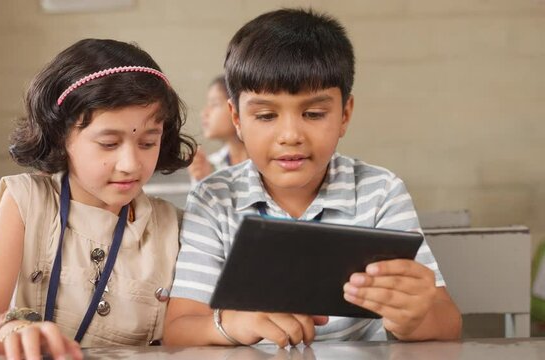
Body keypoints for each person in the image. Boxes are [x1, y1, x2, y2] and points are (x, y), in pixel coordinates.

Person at [163, 9, 462, 347]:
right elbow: (178, 330)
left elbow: (447, 323)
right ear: (237, 118)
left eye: (314, 113)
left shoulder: (380, 191)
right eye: (265, 115)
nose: (290, 135)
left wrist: (415, 317)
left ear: (345, 114)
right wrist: (231, 325)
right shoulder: (214, 197)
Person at [0, 38, 196, 359]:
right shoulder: (26, 201)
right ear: (61, 136)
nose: (130, 164)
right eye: (109, 143)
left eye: (147, 143)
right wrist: (13, 330)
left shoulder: (175, 225)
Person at [188, 76, 247, 181]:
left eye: (214, 104)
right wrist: (204, 180)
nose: (204, 113)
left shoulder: (266, 161)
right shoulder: (209, 165)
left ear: (237, 109)